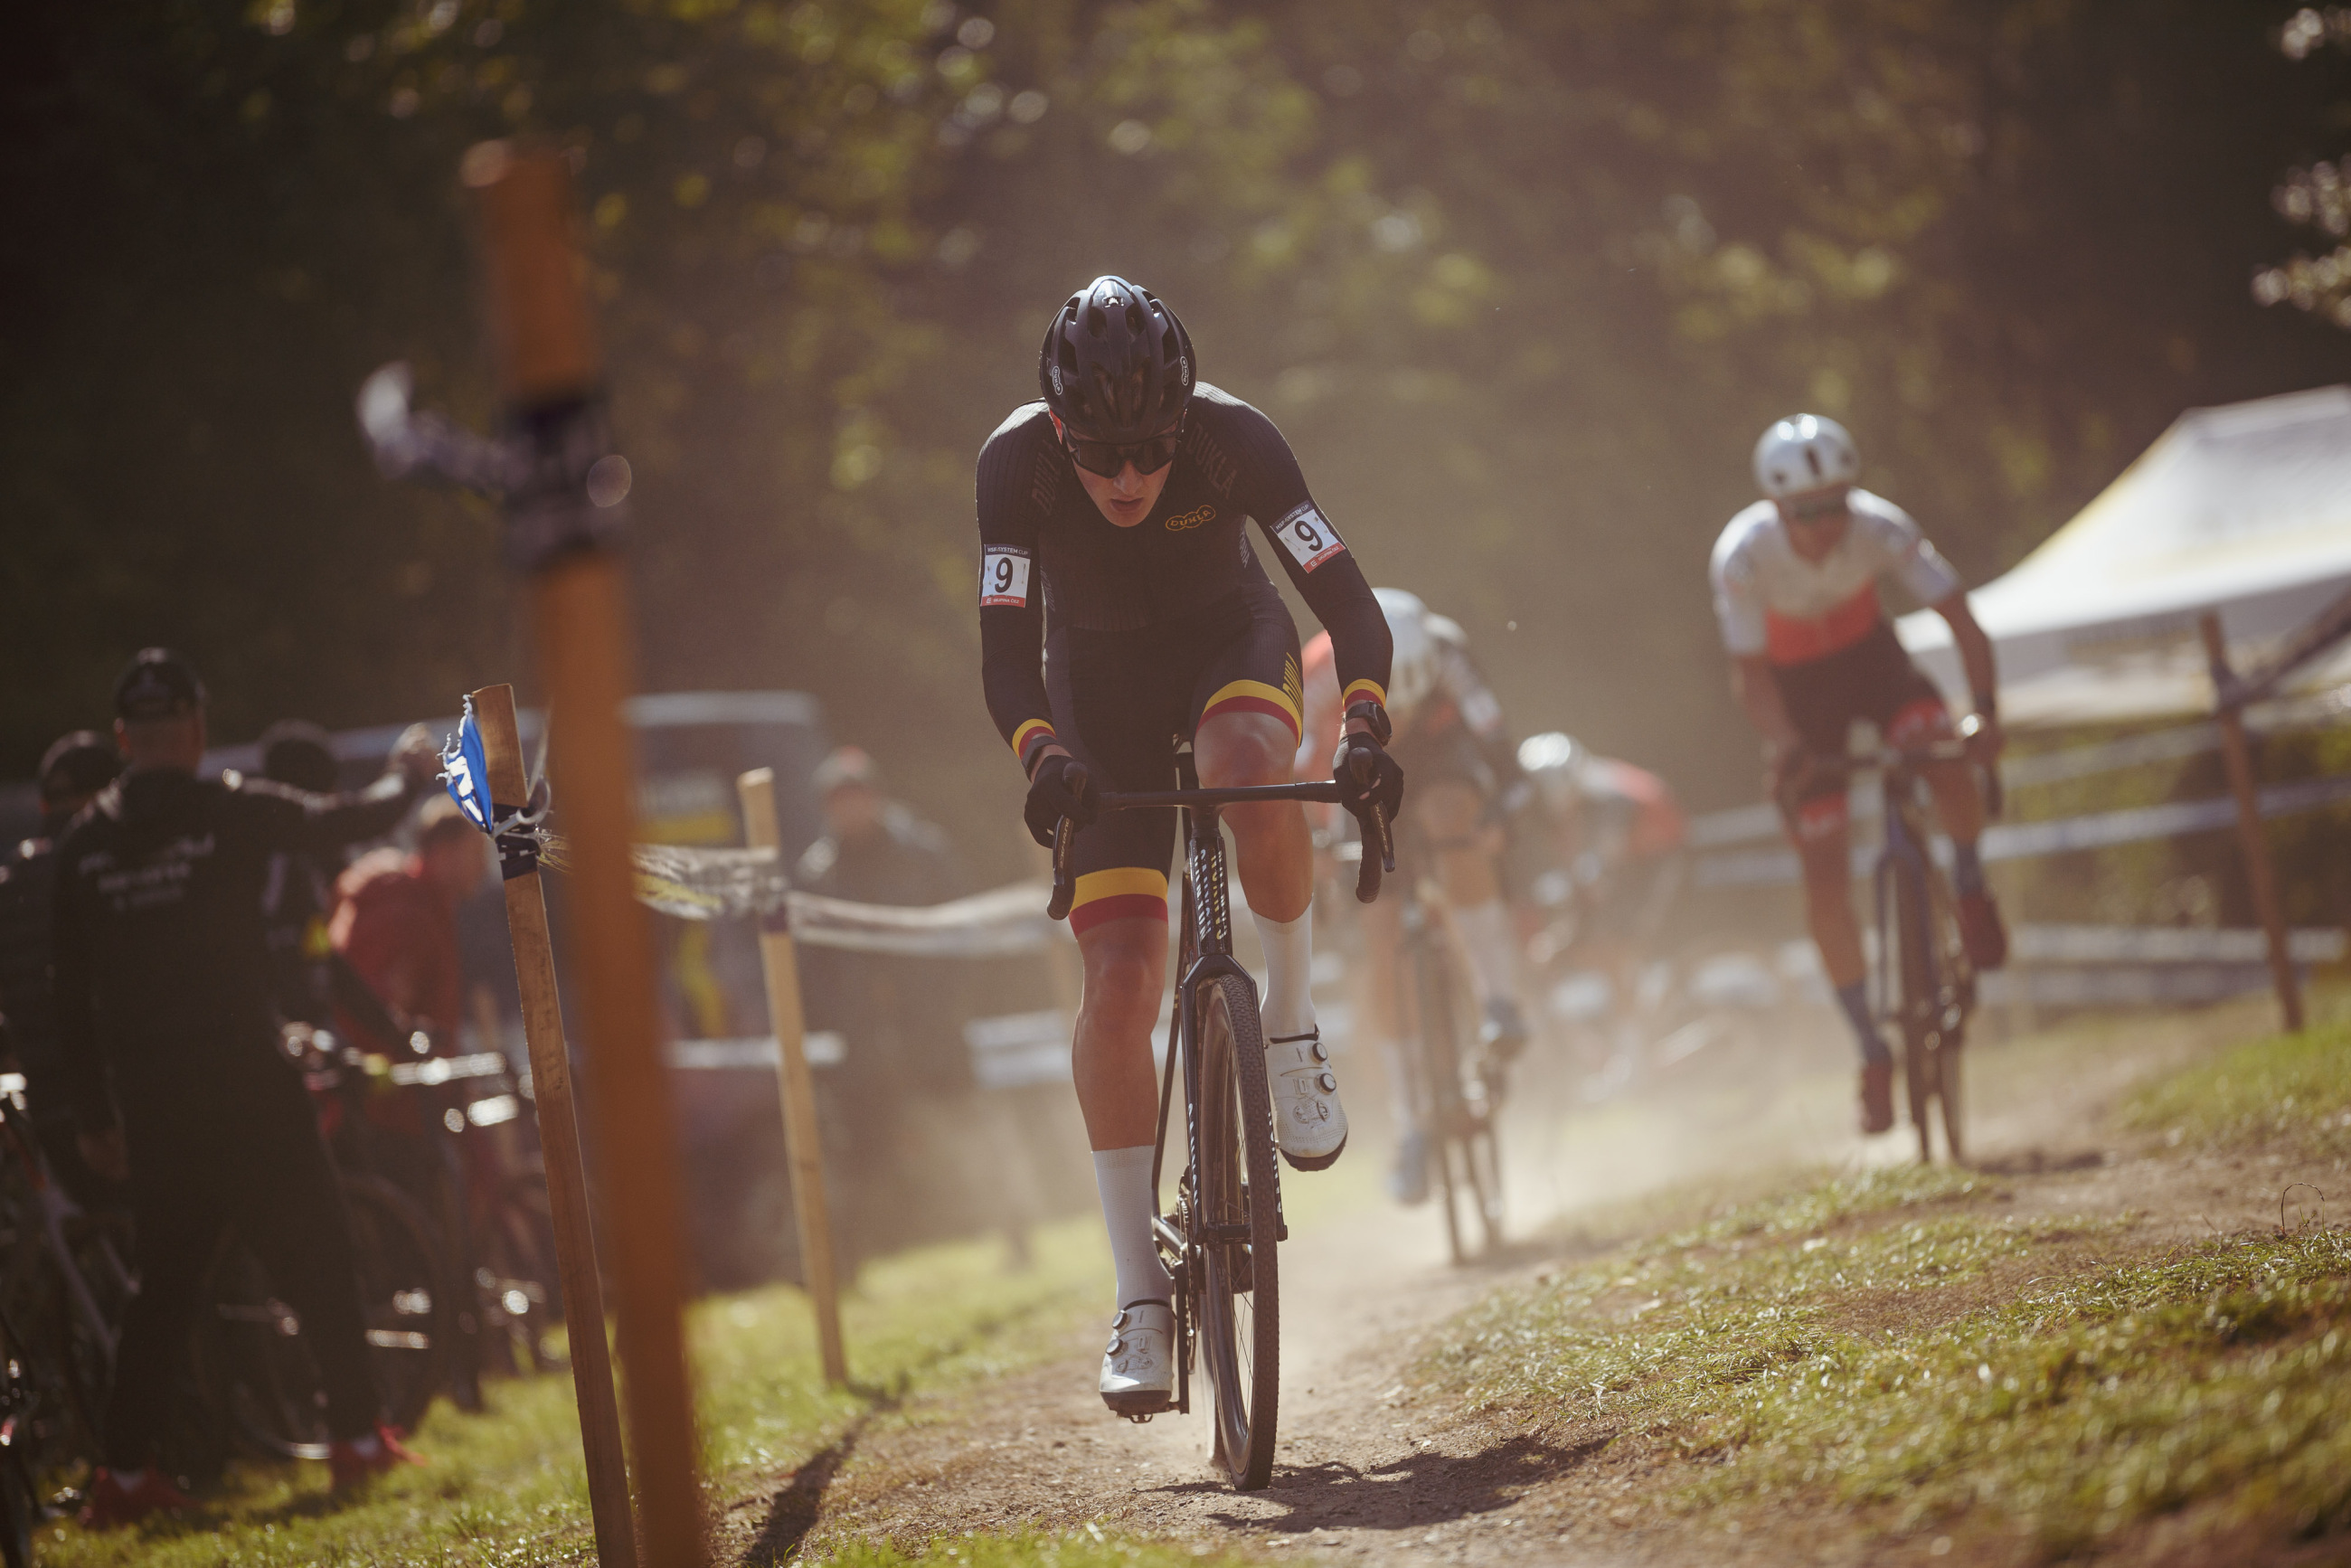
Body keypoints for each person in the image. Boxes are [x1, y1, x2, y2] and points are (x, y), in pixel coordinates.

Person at [975, 276, 1399, 1415]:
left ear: (1183, 422)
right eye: (1099, 455)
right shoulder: (1013, 467)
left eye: (1151, 450)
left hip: (1228, 641)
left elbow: (1349, 608)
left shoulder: (1234, 440)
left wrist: (1362, 722)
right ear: (1057, 428)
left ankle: (1290, 1024)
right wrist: (1039, 753)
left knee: (1247, 767)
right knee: (1119, 985)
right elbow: (1005, 658)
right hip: (1093, 689)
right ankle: (1139, 1298)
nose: (1127, 479)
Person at [51, 650, 439, 1522]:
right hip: (248, 1084)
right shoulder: (227, 809)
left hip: (153, 1102)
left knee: (162, 1286)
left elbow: (68, 993)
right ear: (195, 731)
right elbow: (346, 819)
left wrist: (94, 1115)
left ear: (122, 740)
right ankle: (356, 1439)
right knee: (320, 1250)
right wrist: (409, 775)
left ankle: (122, 1477)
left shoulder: (84, 847)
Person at [1709, 415, 2006, 1136]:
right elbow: (1750, 678)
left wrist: (1984, 713)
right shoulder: (1742, 557)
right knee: (1823, 880)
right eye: (1805, 512)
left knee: (1940, 749)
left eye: (1834, 506)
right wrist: (1786, 744)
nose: (1823, 526)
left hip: (1874, 664)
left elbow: (1962, 619)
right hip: (1799, 697)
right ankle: (1872, 1052)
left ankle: (1969, 885)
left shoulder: (1881, 526)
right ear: (1777, 508)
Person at [1297, 588, 1535, 1204]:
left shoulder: (1448, 650)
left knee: (1454, 815)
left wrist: (1504, 809)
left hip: (1439, 756)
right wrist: (1316, 850)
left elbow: (1497, 742)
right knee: (1382, 944)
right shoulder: (1319, 673)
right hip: (1356, 760)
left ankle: (1498, 1002)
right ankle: (1410, 1124)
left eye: (1410, 702)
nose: (1399, 716)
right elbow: (1298, 775)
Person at [1517, 732, 1689, 1082]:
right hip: (1635, 858)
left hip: (1657, 856)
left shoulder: (1606, 799)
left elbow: (1597, 877)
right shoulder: (1574, 795)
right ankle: (1632, 1032)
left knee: (1612, 949)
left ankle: (1635, 1056)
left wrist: (1565, 932)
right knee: (1594, 945)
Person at [0, 732, 125, 1198]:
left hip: (46, 1119)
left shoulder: (9, 886)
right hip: (121, 1108)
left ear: (44, 804)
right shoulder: (111, 866)